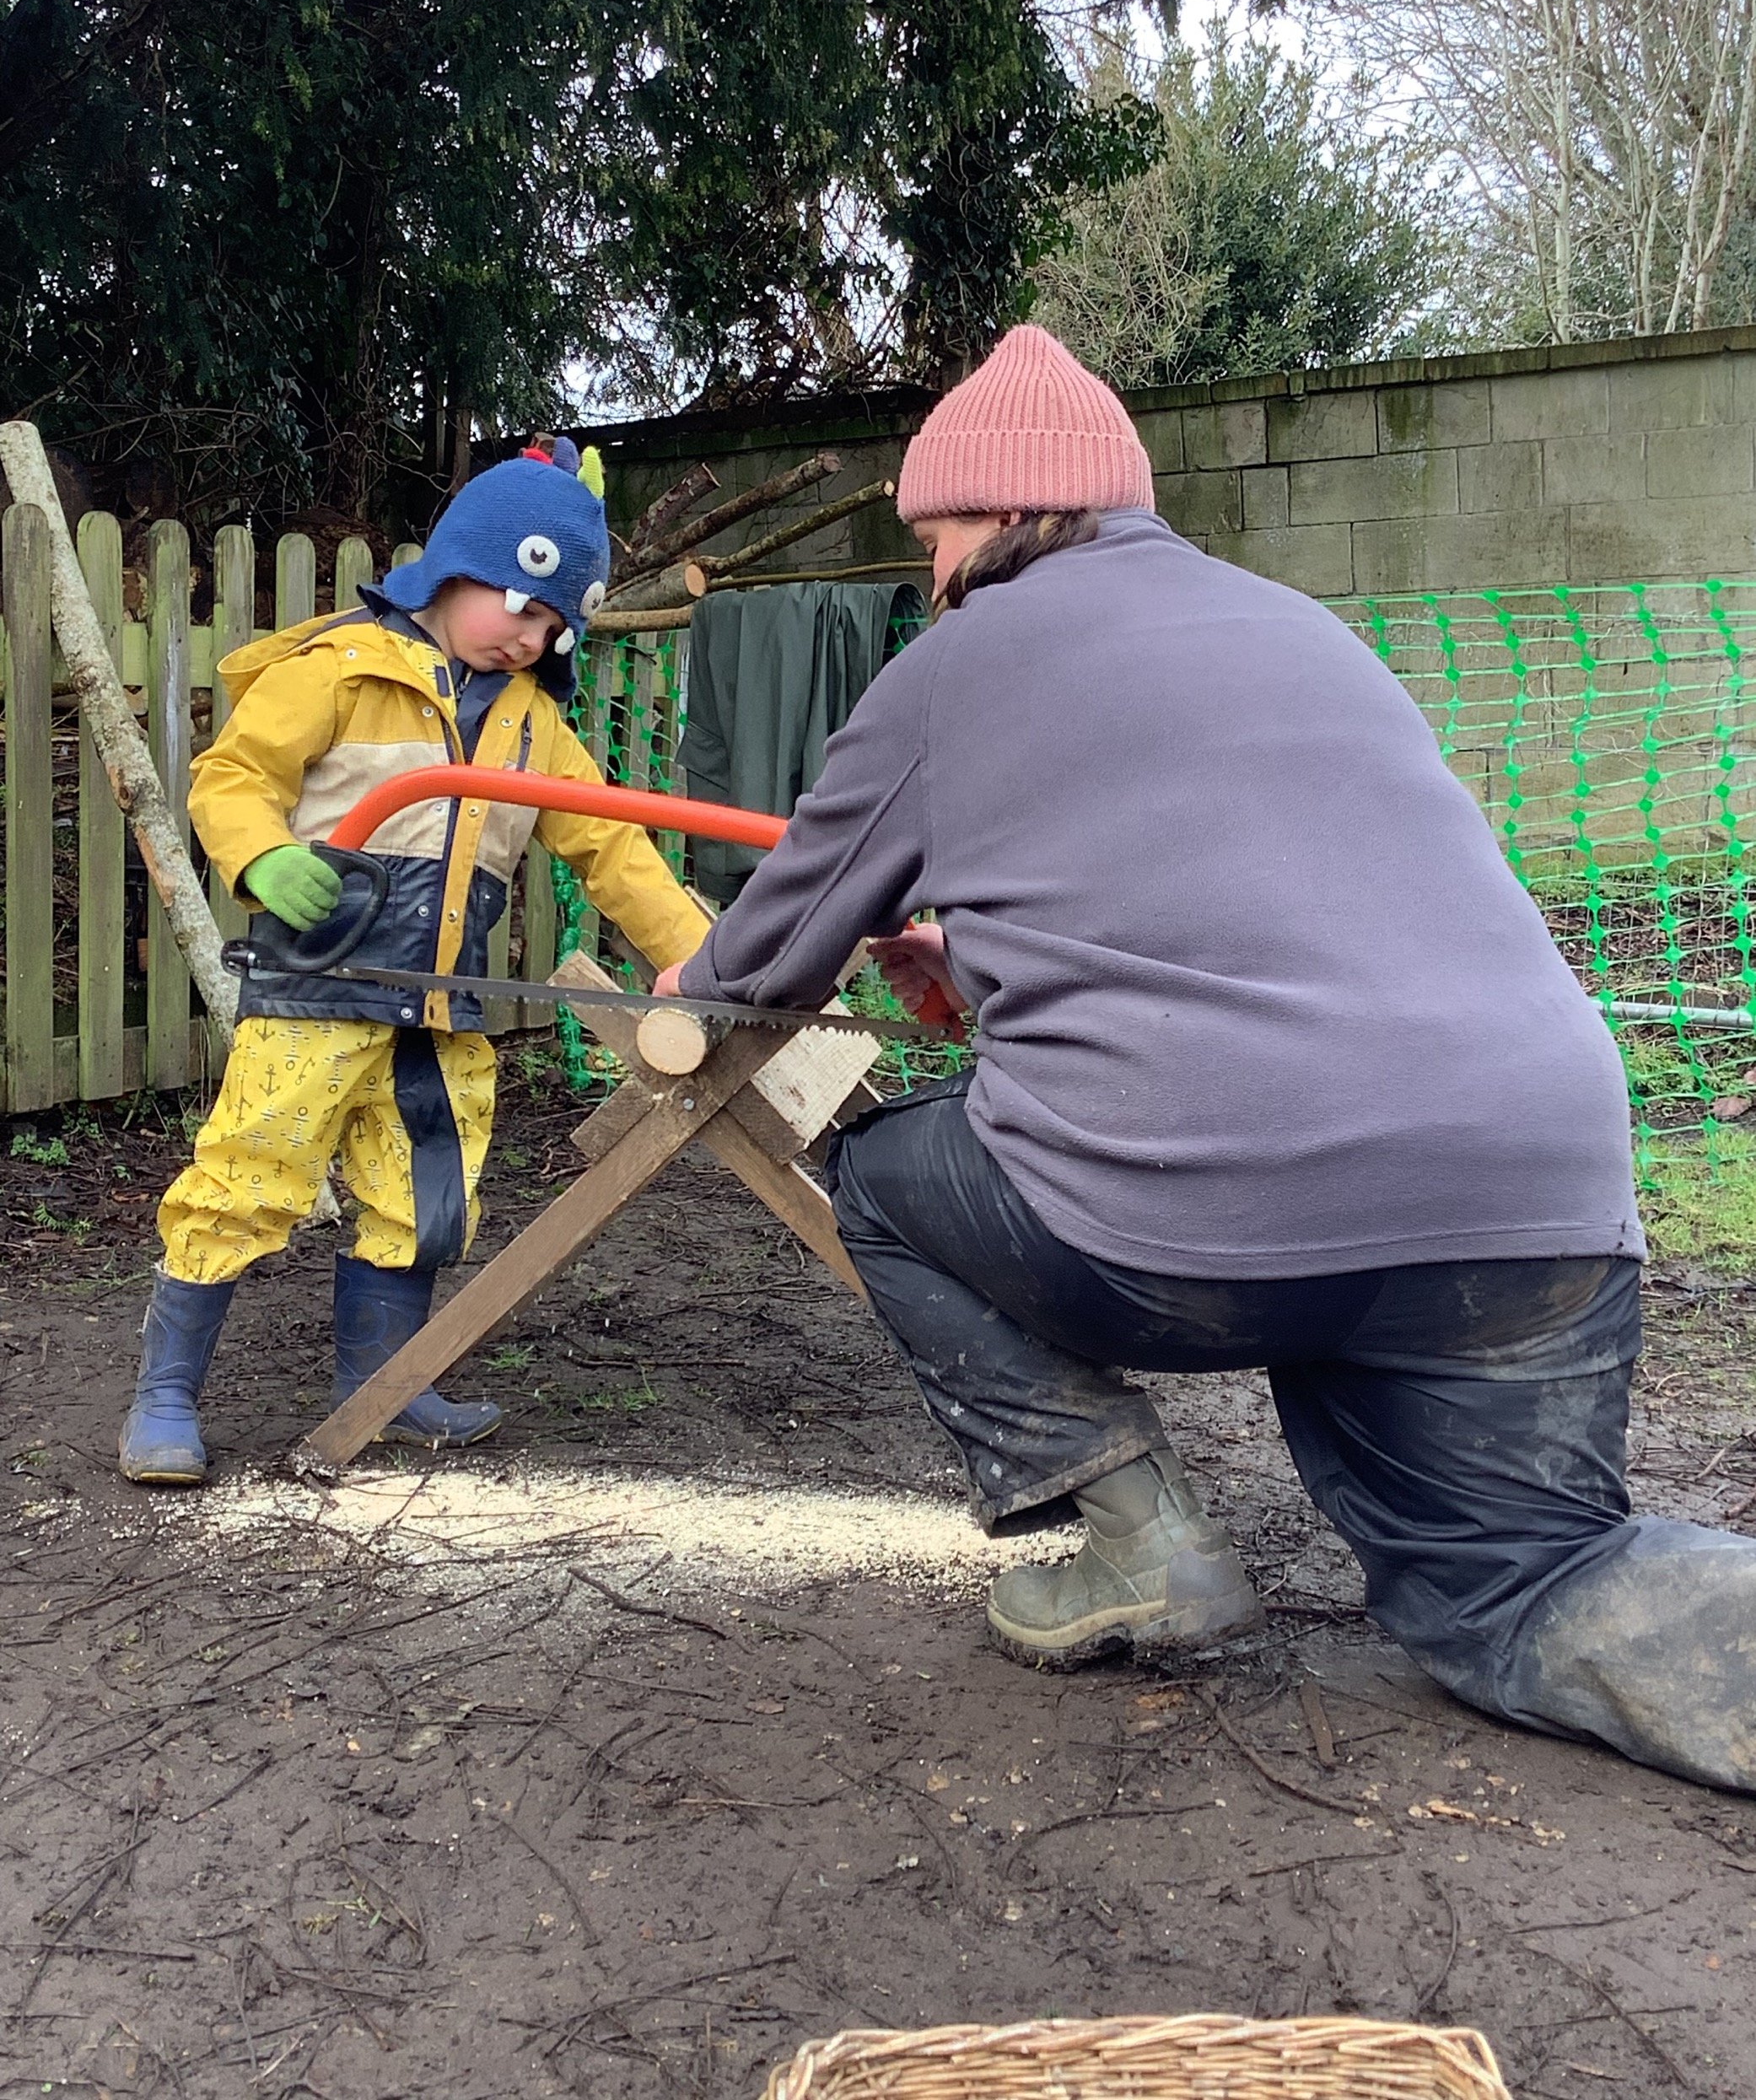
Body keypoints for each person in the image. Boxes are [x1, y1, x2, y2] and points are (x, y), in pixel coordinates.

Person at [657, 324, 1756, 1795]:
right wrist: (978, 963)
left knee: (880, 1181)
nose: (930, 569)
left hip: (1217, 1222)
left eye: (937, 530)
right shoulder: (1299, 625)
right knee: (1520, 1582)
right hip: (1532, 1199)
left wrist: (695, 979)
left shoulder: (964, 656)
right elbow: (1258, 922)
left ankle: (1137, 1540)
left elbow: (771, 957)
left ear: (1006, 517)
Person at [120, 444, 708, 1485]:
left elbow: (613, 845)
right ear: (462, 562)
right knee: (248, 1176)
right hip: (317, 993)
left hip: (439, 1011)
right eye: (522, 609)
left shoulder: (534, 725)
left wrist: (694, 955)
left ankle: (381, 1388)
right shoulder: (339, 668)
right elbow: (233, 776)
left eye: (552, 629)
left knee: (423, 1193)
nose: (530, 641)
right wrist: (262, 856)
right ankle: (166, 1394)